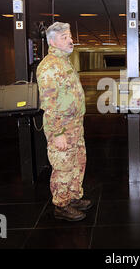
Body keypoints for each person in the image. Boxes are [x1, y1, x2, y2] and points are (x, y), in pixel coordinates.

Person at [37, 22, 92, 221]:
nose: (70, 40)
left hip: (75, 124)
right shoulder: (49, 66)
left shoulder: (65, 62)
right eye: (64, 37)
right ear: (52, 41)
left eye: (69, 36)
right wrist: (58, 133)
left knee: (78, 162)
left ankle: (74, 197)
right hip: (61, 127)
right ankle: (61, 205)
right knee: (63, 166)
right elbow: (49, 105)